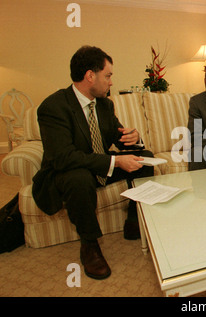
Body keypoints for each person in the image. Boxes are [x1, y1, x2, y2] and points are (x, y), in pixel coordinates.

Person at [32, 46, 154, 280]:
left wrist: (134, 138)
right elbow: (63, 157)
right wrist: (116, 162)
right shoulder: (54, 106)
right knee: (78, 177)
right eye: (107, 76)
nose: (110, 82)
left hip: (98, 166)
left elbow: (117, 138)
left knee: (145, 158)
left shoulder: (105, 104)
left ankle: (133, 220)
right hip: (67, 173)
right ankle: (89, 245)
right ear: (90, 76)